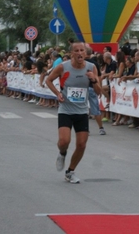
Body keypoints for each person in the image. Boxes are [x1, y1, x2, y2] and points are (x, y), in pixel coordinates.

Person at [46, 41, 101, 184]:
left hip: (82, 111)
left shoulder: (91, 67)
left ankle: (70, 171)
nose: (79, 53)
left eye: (81, 50)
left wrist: (94, 80)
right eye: (76, 50)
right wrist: (57, 93)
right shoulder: (63, 67)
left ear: (85, 53)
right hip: (66, 109)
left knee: (82, 144)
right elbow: (49, 80)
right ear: (71, 54)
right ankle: (62, 153)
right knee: (64, 142)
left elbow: (98, 92)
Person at [84, 46, 106, 135]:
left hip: (83, 88)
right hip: (92, 87)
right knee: (95, 109)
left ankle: (86, 129)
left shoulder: (81, 63)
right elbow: (99, 78)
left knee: (83, 109)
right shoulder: (95, 64)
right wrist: (99, 88)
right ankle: (101, 128)